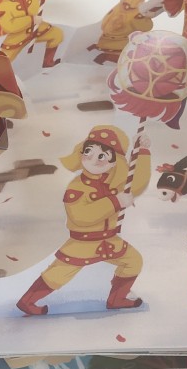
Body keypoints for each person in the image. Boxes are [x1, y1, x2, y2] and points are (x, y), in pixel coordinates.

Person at [16, 125, 150, 315]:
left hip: (109, 240)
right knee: (58, 274)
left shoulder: (113, 183)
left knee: (133, 261)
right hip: (82, 243)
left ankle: (117, 298)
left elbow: (137, 183)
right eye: (88, 152)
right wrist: (115, 201)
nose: (93, 159)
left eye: (102, 156)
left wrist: (143, 151)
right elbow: (81, 216)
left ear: (114, 162)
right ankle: (27, 301)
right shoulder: (77, 187)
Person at [87, 0, 164, 63]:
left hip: (105, 39)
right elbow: (145, 27)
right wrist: (146, 17)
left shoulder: (119, 6)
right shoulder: (137, 11)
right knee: (132, 56)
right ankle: (108, 56)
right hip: (121, 42)